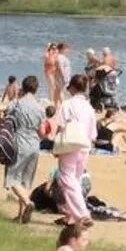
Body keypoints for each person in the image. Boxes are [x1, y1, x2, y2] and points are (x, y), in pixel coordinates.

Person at [0, 76, 46, 223]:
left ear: (23, 87)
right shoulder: (40, 107)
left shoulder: (17, 103)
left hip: (20, 141)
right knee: (25, 181)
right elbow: (42, 132)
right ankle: (21, 216)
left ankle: (28, 202)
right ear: (36, 89)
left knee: (11, 178)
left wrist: (0, 123)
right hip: (35, 145)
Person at [53, 74, 96, 225]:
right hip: (85, 145)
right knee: (75, 180)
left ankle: (82, 214)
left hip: (70, 144)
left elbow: (61, 126)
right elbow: (93, 133)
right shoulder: (89, 107)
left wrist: (56, 146)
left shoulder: (67, 104)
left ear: (72, 87)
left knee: (66, 178)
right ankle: (71, 215)